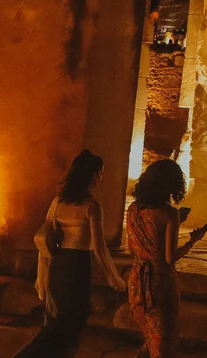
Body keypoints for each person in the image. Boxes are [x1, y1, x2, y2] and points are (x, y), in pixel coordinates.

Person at [15, 150, 126, 358]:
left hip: (58, 266)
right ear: (93, 175)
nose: (101, 177)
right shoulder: (92, 206)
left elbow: (46, 234)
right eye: (100, 173)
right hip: (77, 267)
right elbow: (99, 248)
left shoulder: (58, 202)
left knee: (56, 320)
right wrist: (115, 279)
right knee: (70, 325)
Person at [127, 159, 207, 358]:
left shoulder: (133, 209)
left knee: (149, 340)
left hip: (137, 284)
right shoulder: (169, 214)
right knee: (163, 346)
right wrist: (193, 240)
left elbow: (133, 250)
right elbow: (169, 257)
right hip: (160, 286)